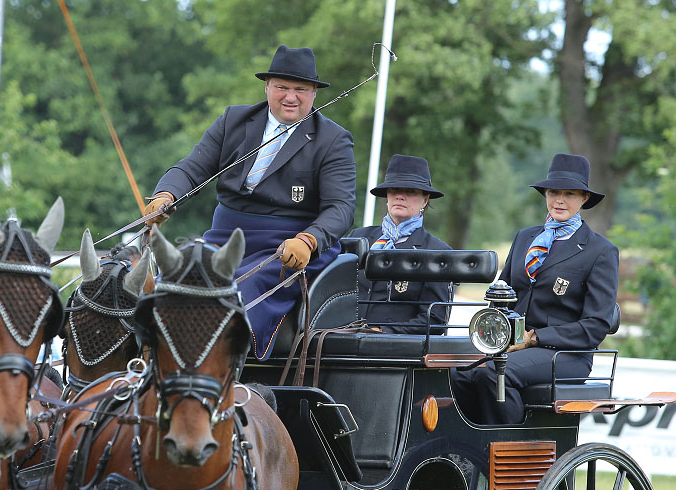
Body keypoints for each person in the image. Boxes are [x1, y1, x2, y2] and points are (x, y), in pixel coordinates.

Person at [142, 45, 357, 360]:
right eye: (282, 87)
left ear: (314, 93)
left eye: (300, 89)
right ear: (267, 86)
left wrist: (309, 240)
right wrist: (166, 195)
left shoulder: (333, 139)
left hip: (286, 249)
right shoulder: (234, 120)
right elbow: (192, 167)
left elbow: (340, 208)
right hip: (224, 240)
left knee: (234, 297)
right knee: (170, 287)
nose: (290, 97)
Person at [452, 153, 619, 425]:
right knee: (456, 372)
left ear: (584, 199)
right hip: (511, 346)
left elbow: (596, 325)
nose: (560, 200)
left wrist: (535, 338)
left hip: (565, 354)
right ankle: (474, 451)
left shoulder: (600, 251)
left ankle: (511, 451)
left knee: (492, 374)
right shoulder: (525, 238)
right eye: (554, 192)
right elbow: (502, 295)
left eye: (569, 193)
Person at [347, 154, 453, 334]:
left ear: (425, 200)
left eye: (410, 191)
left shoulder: (437, 251)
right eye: (394, 189)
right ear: (387, 196)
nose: (400, 196)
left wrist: (382, 331)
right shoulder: (359, 238)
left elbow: (435, 318)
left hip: (398, 352)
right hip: (343, 342)